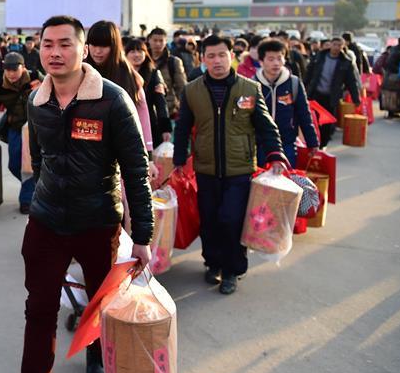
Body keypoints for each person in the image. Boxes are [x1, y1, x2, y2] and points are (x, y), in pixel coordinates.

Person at [24, 15, 153, 373]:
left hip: (98, 223)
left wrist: (142, 235)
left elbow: (135, 170)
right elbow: (41, 157)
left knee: (101, 308)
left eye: (65, 44)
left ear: (84, 50)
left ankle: (96, 361)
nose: (55, 52)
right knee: (40, 310)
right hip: (46, 221)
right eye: (48, 44)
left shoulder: (113, 100)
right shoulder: (37, 99)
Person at [173, 35, 289, 295]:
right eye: (211, 56)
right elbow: (182, 129)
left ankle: (233, 270)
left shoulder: (249, 88)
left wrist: (275, 154)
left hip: (240, 170)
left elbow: (266, 127)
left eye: (222, 55)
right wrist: (180, 160)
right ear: (203, 59)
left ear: (231, 56)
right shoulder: (192, 90)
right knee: (210, 220)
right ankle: (212, 263)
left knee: (231, 219)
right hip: (205, 169)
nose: (217, 61)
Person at [0, 52, 38, 214]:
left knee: (28, 165)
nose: (11, 74)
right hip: (15, 129)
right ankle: (37, 186)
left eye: (15, 70)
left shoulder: (36, 78)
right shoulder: (1, 86)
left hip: (36, 129)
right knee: (14, 165)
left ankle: (27, 199)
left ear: (23, 67)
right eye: (8, 70)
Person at [85, 20, 154, 152]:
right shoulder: (80, 72)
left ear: (115, 46)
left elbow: (142, 116)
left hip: (119, 150)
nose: (97, 51)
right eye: (93, 44)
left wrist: (148, 152)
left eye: (104, 46)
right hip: (84, 150)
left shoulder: (129, 77)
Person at [254, 39, 319, 167]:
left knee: (286, 183)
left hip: (287, 143)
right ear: (261, 61)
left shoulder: (293, 83)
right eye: (271, 59)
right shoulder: (252, 85)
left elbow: (304, 114)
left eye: (280, 58)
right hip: (260, 145)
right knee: (260, 183)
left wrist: (312, 142)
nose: (276, 63)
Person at [306, 37, 361, 147]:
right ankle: (314, 144)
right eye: (334, 44)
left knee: (327, 123)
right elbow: (308, 75)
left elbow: (351, 82)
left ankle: (323, 144)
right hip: (316, 95)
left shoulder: (345, 62)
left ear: (343, 47)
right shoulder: (319, 57)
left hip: (332, 97)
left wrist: (356, 99)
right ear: (330, 44)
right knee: (313, 121)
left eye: (339, 45)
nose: (336, 47)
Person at [125, 38, 172, 148]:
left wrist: (165, 128)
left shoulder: (153, 73)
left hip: (149, 125)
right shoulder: (121, 74)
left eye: (140, 51)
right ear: (125, 54)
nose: (136, 55)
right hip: (125, 123)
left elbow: (161, 103)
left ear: (145, 54)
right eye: (132, 51)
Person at [147, 27, 187, 119]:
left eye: (161, 41)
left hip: (169, 111)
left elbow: (182, 88)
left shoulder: (174, 62)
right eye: (155, 40)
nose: (158, 43)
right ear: (149, 40)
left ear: (166, 41)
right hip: (146, 111)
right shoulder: (142, 61)